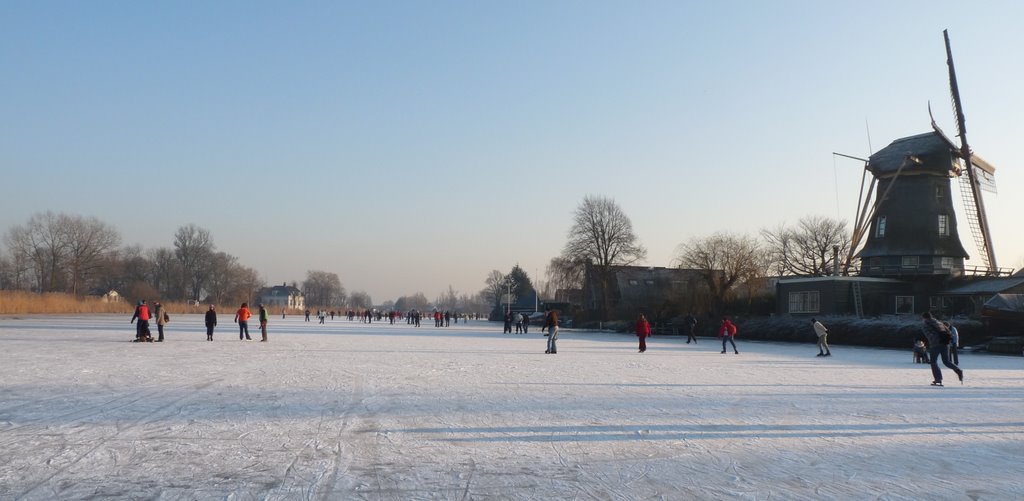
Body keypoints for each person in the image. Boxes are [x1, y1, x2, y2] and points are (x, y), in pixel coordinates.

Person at [921, 312, 963, 386]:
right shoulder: (939, 322)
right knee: (946, 361)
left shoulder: (925, 325)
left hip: (935, 345)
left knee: (933, 362)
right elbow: (949, 331)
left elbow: (929, 335)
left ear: (924, 318)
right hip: (945, 343)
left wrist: (932, 342)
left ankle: (938, 379)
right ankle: (958, 370)